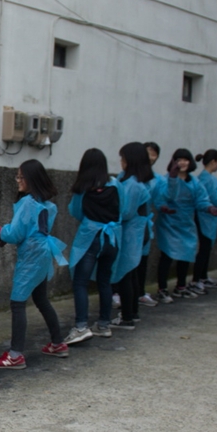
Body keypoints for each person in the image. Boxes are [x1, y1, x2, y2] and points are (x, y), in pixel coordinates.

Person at [0, 159, 68, 369]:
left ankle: (15, 355)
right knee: (41, 299)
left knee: (17, 302)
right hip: (43, 254)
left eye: (21, 177)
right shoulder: (47, 204)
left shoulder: (28, 203)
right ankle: (58, 343)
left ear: (31, 179)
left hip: (30, 256)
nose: (18, 180)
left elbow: (16, 233)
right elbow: (26, 229)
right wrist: (6, 233)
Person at [64, 148, 123, 344]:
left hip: (91, 237)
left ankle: (81, 326)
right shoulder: (115, 184)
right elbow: (122, 208)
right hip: (112, 238)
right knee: (105, 281)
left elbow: (75, 211)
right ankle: (104, 324)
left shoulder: (82, 189)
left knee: (80, 282)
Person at [154, 149, 217, 301]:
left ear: (190, 162)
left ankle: (180, 286)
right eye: (178, 160)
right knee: (167, 255)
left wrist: (209, 208)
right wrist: (164, 207)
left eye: (185, 160)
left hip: (186, 223)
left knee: (185, 254)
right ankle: (162, 288)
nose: (182, 163)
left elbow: (201, 200)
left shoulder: (195, 182)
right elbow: (161, 198)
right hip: (168, 223)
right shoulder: (166, 180)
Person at [112, 142, 153, 329]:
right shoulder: (134, 181)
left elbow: (126, 212)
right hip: (137, 232)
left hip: (132, 232)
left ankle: (127, 316)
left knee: (126, 274)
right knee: (132, 272)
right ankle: (133, 312)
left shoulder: (132, 184)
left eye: (122, 158)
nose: (121, 162)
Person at [191, 150, 217, 293]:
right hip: (206, 217)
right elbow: (216, 199)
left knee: (206, 248)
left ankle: (203, 276)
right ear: (214, 162)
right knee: (205, 248)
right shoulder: (207, 179)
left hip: (206, 216)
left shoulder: (203, 178)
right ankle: (197, 279)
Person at [134, 142, 162, 307]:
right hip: (133, 225)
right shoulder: (131, 178)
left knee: (142, 260)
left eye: (153, 153)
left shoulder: (156, 179)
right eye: (147, 153)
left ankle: (140, 293)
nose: (150, 157)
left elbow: (160, 199)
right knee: (126, 263)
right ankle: (120, 294)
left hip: (143, 224)